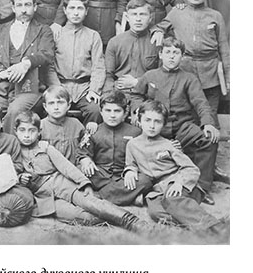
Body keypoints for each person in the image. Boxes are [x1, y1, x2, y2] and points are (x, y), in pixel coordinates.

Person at [14, 111, 145, 231]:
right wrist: (20, 178)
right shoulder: (14, 151)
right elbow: (11, 175)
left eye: (32, 130)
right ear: (15, 131)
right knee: (81, 217)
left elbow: (66, 166)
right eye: (22, 130)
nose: (27, 135)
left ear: (39, 131)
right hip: (44, 197)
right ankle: (114, 218)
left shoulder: (45, 147)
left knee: (91, 203)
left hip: (62, 184)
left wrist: (84, 182)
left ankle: (131, 221)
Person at [129, 36, 219, 203]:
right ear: (160, 54)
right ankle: (145, 184)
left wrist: (208, 123)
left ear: (182, 56)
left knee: (208, 139)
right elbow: (136, 95)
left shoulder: (189, 78)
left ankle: (201, 187)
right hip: (156, 126)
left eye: (176, 53)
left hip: (181, 126)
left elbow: (201, 102)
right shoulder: (150, 76)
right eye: (168, 52)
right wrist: (137, 111)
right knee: (131, 138)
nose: (171, 56)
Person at [124, 100, 227, 234]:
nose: (152, 126)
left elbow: (190, 168)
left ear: (163, 124)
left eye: (157, 122)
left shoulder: (168, 144)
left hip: (181, 185)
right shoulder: (132, 144)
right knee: (156, 213)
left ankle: (217, 228)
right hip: (157, 190)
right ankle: (197, 226)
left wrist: (179, 183)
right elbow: (130, 164)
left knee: (172, 200)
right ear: (139, 120)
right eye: (147, 120)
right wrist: (130, 171)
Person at [152, 0, 230, 126]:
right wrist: (158, 32)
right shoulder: (177, 12)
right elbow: (159, 26)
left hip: (210, 73)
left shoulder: (215, 16)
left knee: (210, 114)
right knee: (186, 114)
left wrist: (229, 77)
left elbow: (224, 49)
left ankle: (210, 138)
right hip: (184, 70)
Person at [0, 0, 55, 133]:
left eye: (28, 5)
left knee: (15, 111)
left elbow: (47, 54)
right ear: (13, 8)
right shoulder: (0, 30)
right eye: (19, 5)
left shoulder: (43, 30)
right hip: (2, 87)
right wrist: (0, 73)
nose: (24, 10)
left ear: (35, 7)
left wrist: (26, 64)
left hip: (30, 88)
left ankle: (10, 146)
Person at [78, 91, 153, 204]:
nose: (112, 115)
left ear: (125, 113)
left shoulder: (136, 132)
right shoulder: (94, 131)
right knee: (80, 170)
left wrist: (132, 170)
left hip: (125, 175)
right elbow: (82, 152)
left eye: (117, 111)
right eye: (108, 111)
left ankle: (100, 195)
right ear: (101, 111)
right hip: (100, 175)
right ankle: (129, 196)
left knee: (146, 180)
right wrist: (85, 160)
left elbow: (144, 157)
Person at [46, 0, 105, 127]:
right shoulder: (55, 34)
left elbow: (98, 66)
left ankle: (87, 139)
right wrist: (57, 88)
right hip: (60, 85)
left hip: (84, 88)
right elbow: (49, 66)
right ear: (65, 10)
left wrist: (93, 90)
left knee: (95, 110)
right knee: (53, 108)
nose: (76, 13)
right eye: (72, 8)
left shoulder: (93, 35)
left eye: (80, 8)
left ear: (86, 11)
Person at [104, 0, 160, 98]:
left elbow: (162, 75)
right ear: (127, 17)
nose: (138, 19)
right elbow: (108, 75)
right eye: (134, 14)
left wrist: (137, 82)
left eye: (143, 14)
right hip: (119, 93)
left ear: (150, 18)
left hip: (146, 95)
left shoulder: (157, 42)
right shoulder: (115, 42)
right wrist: (110, 95)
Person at [40, 86, 87, 163]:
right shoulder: (41, 126)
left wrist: (84, 159)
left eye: (60, 103)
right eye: (51, 103)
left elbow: (85, 146)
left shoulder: (76, 124)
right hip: (49, 168)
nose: (56, 107)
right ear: (45, 106)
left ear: (68, 105)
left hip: (74, 167)